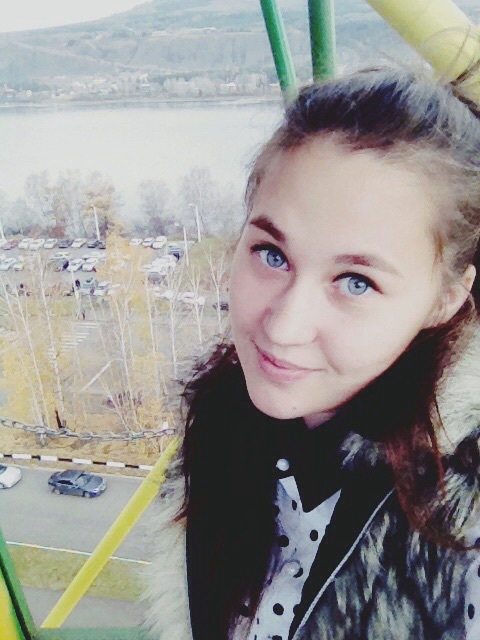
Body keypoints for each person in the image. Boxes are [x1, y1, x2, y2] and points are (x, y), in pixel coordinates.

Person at [144, 64, 480, 640]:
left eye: (356, 282)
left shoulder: (462, 510)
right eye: (272, 254)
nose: (284, 327)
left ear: (447, 298)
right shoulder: (225, 423)